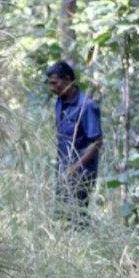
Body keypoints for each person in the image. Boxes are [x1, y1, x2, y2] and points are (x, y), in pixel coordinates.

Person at [46, 61, 102, 209]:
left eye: (55, 83)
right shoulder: (59, 102)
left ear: (68, 80)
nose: (52, 88)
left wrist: (75, 168)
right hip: (62, 169)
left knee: (77, 217)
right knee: (61, 214)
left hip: (81, 174)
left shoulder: (87, 106)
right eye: (49, 84)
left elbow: (96, 142)